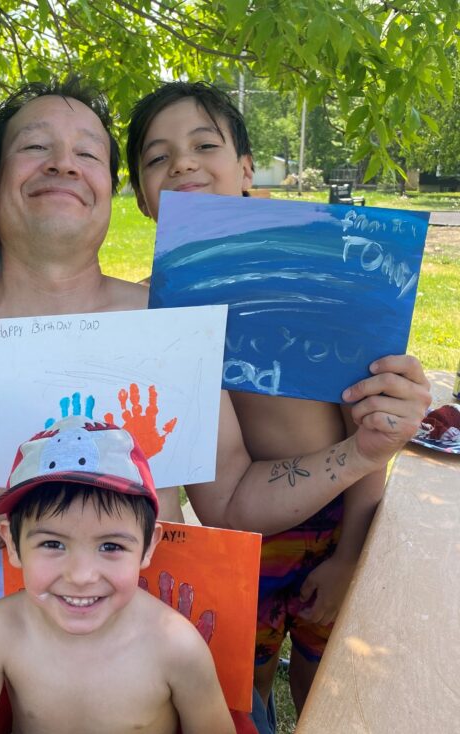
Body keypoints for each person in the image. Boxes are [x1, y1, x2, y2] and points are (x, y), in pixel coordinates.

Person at [0, 77, 428, 733]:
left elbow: (232, 501)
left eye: (87, 152)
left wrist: (361, 451)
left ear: (112, 192)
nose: (63, 161)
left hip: (148, 657)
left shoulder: (171, 327)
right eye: (36, 146)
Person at [124, 80, 428, 718]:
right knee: (248, 677)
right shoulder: (154, 307)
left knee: (326, 681)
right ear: (144, 199)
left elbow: (366, 430)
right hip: (245, 544)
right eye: (157, 157)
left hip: (343, 518)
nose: (181, 162)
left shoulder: (316, 267)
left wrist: (349, 556)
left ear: (245, 169)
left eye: (203, 144)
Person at [0, 415, 236, 734]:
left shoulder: (176, 647)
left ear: (149, 547)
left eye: (111, 546)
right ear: (12, 544)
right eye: (52, 543)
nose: (81, 576)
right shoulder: (0, 631)